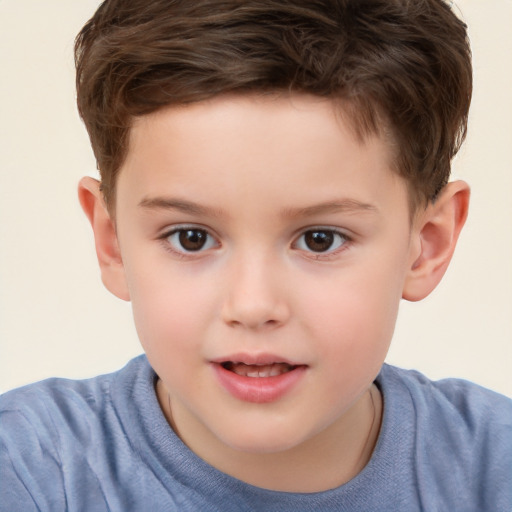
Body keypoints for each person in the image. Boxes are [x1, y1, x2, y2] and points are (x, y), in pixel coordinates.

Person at [1, 0, 510, 510]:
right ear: (112, 241)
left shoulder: (494, 468)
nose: (252, 305)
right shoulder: (30, 469)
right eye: (191, 238)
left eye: (320, 239)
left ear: (427, 244)